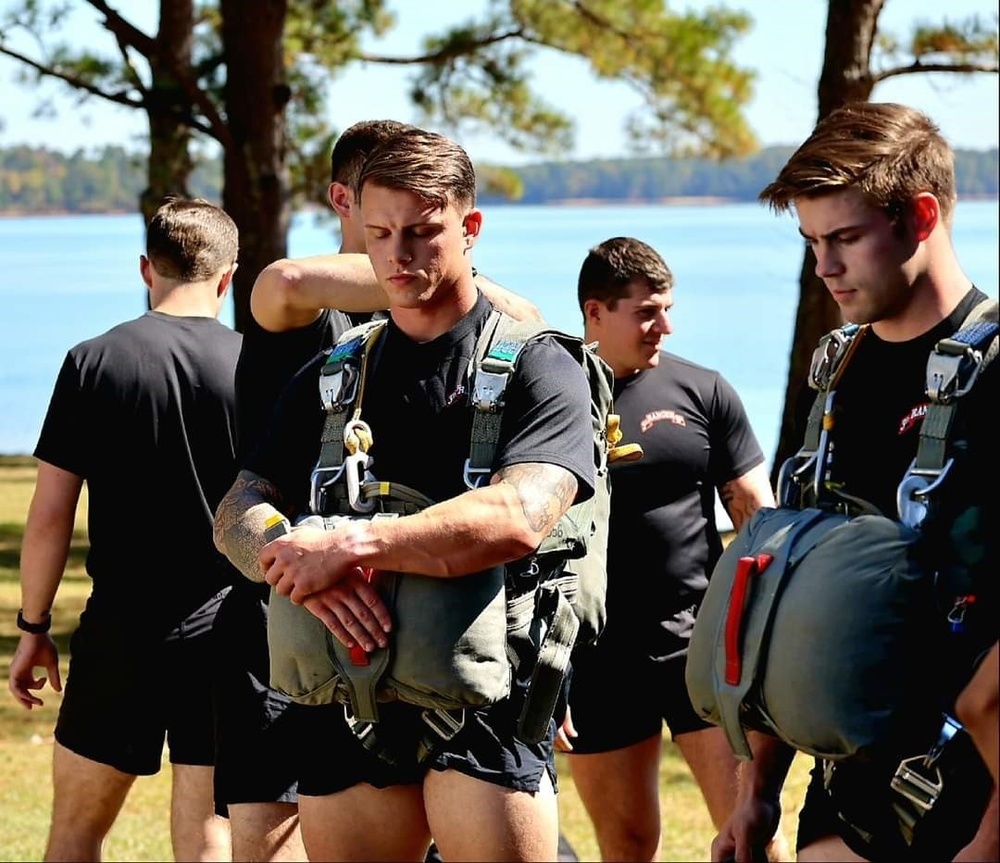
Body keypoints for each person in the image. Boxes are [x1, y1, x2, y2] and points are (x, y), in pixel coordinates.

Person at [213, 128, 595, 862]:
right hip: (349, 695)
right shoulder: (335, 372)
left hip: (486, 698)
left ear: (470, 227)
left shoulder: (536, 365)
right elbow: (237, 507)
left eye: (422, 233)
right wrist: (294, 565)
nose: (397, 255)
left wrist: (346, 545)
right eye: (380, 233)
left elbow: (520, 513)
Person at [712, 102, 998, 863]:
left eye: (844, 238)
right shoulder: (833, 375)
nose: (824, 267)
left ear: (921, 216)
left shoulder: (995, 373)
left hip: (975, 791)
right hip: (848, 791)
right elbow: (787, 593)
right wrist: (756, 795)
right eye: (811, 242)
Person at [8, 197, 240, 862]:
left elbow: (50, 514)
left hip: (121, 630)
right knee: (211, 837)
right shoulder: (255, 367)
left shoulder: (93, 360)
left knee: (75, 831)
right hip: (227, 632)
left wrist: (33, 627)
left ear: (147, 268)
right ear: (228, 276)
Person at [557, 236, 778, 862]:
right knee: (626, 846)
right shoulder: (551, 394)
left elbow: (755, 517)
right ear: (595, 312)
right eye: (647, 311)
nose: (665, 326)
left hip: (700, 646)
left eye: (668, 309)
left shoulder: (702, 390)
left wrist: (760, 636)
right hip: (595, 657)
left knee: (751, 835)